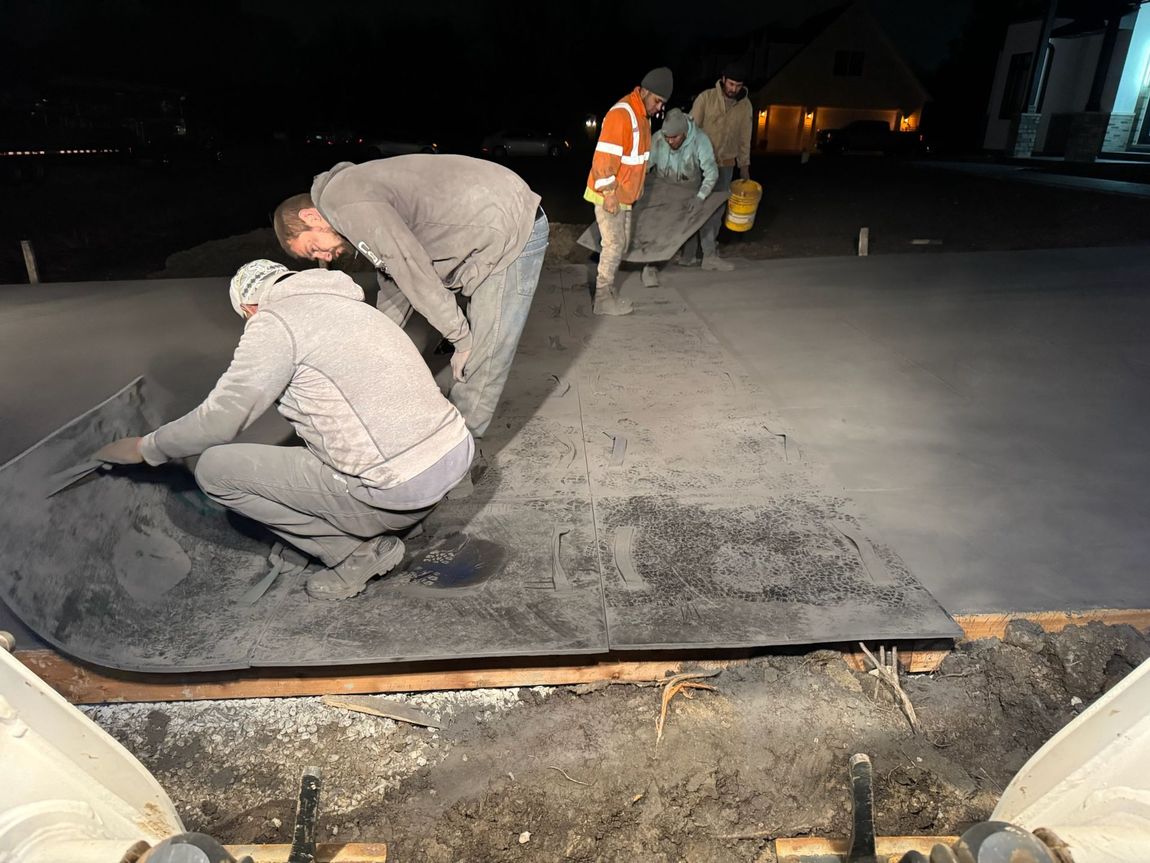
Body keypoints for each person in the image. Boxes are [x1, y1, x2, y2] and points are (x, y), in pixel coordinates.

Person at [94, 260, 474, 601]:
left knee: (215, 469)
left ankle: (350, 553)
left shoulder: (274, 323)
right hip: (454, 454)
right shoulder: (353, 306)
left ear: (249, 309)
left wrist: (148, 447)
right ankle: (408, 521)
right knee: (323, 439)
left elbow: (220, 421)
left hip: (397, 489)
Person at [272, 155, 548, 440]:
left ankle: (457, 447)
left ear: (309, 217)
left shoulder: (348, 203)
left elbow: (411, 269)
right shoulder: (345, 198)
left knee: (483, 354)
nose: (324, 257)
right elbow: (394, 279)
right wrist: (372, 345)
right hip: (487, 224)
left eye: (313, 249)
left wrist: (460, 338)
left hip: (509, 228)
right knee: (471, 343)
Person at [584, 66, 673, 316]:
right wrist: (610, 193)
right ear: (644, 91)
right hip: (609, 192)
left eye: (662, 104)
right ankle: (602, 298)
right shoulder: (622, 114)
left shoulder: (642, 116)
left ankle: (608, 290)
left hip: (624, 195)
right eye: (657, 100)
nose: (658, 108)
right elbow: (603, 160)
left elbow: (638, 160)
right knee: (613, 245)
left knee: (620, 245)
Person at [685, 62, 754, 271]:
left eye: (738, 85)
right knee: (695, 207)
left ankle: (709, 255)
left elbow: (745, 137)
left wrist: (744, 165)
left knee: (715, 210)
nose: (734, 89)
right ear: (723, 79)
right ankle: (687, 255)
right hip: (701, 165)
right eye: (731, 83)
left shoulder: (745, 105)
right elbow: (690, 129)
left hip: (725, 166)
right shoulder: (706, 98)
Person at [640, 108, 718, 288]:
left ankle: (698, 257)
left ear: (684, 133)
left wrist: (700, 196)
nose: (669, 141)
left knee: (701, 213)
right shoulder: (659, 138)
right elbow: (645, 166)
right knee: (656, 221)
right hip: (664, 185)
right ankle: (650, 266)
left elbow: (711, 172)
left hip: (689, 187)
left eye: (674, 138)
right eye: (667, 137)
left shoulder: (700, 139)